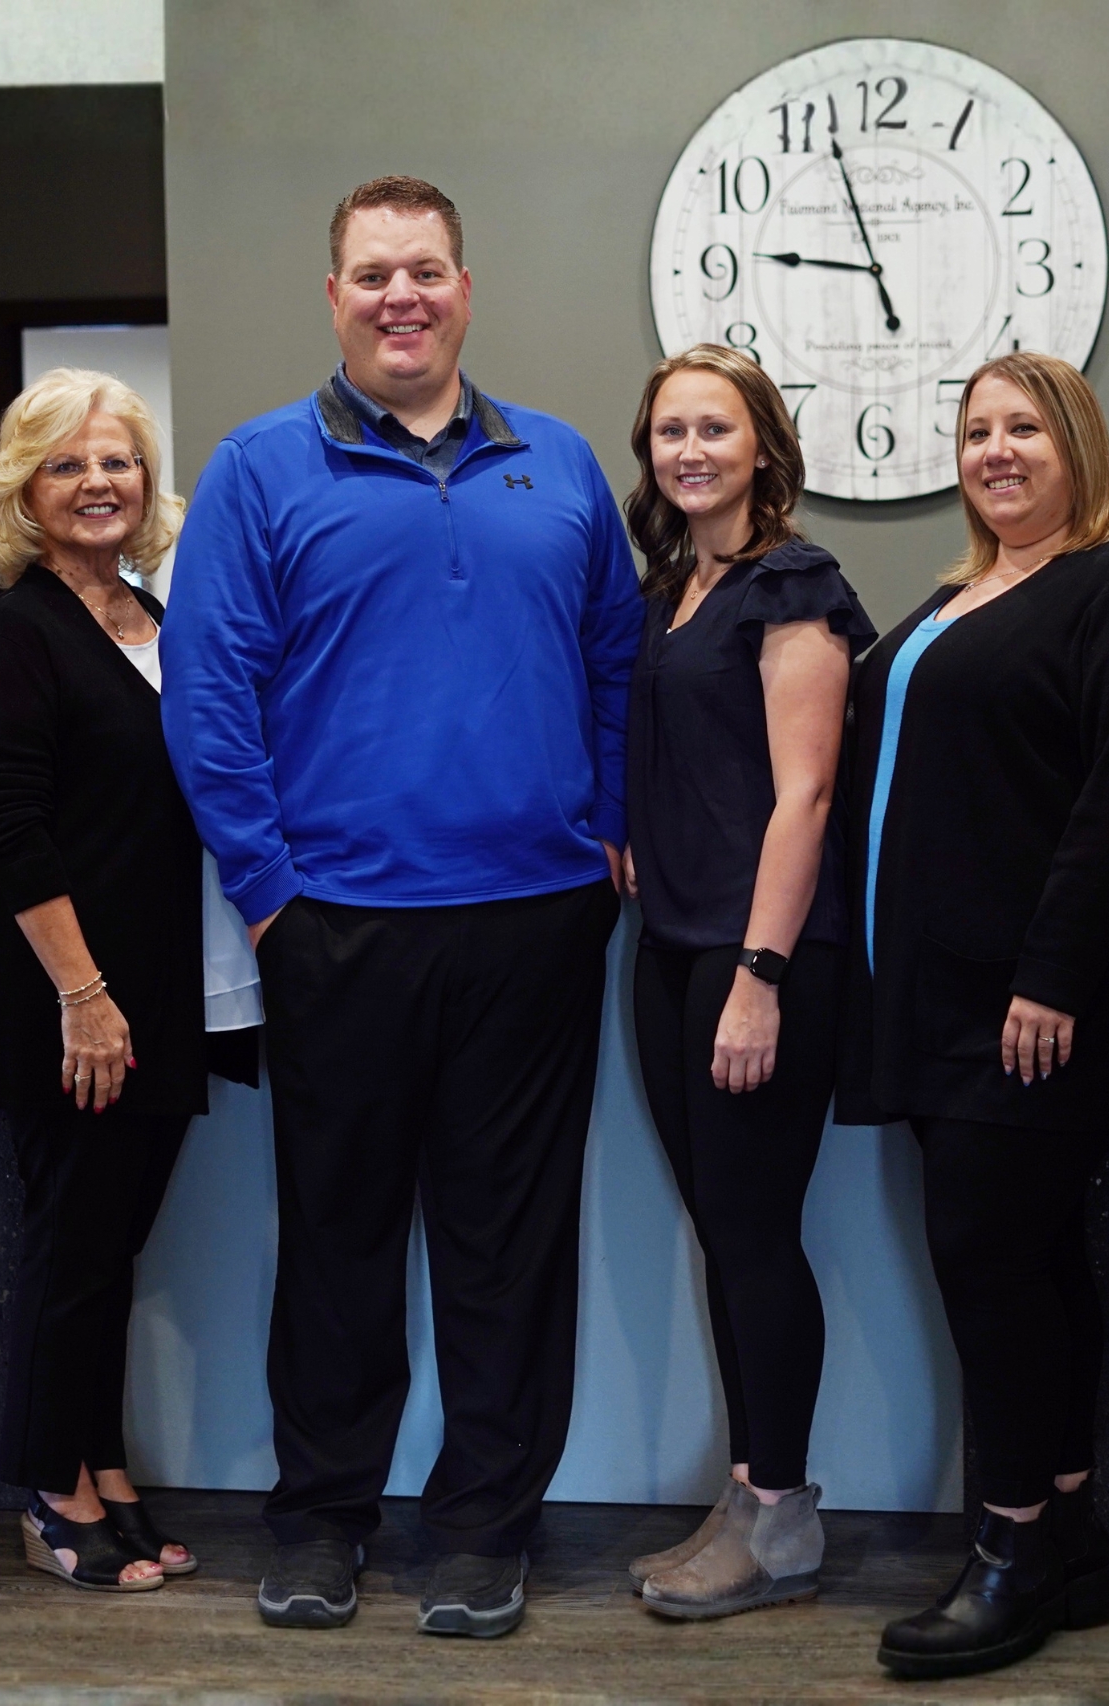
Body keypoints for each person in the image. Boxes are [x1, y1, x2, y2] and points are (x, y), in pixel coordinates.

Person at [161, 175, 639, 1639]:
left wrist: (607, 830)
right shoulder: (259, 469)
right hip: (338, 925)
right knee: (339, 1241)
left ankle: (484, 1529)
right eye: (372, 274)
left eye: (423, 269)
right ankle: (321, 1520)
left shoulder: (558, 463)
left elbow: (618, 665)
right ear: (334, 298)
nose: (400, 297)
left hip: (537, 920)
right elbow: (207, 693)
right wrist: (268, 893)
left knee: (510, 1248)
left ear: (464, 289)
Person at [838, 352, 1109, 1679]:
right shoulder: (956, 595)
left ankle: (1008, 1544)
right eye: (976, 430)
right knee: (1034, 1262)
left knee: (987, 1262)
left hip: (1030, 1006)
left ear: (1079, 447)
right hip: (937, 998)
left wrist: (1051, 973)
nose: (995, 450)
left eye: (1025, 429)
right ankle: (1068, 1536)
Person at [0, 369, 262, 1593]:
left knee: (109, 1247)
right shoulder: (18, 632)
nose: (98, 483)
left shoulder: (148, 613)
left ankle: (98, 1458)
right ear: (25, 490)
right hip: (73, 1005)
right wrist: (83, 995)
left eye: (118, 460)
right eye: (67, 464)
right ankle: (49, 1487)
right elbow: (7, 825)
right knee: (72, 1246)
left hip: (155, 995)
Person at [618, 347, 873, 1619]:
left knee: (755, 1232)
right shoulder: (676, 587)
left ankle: (781, 1516)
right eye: (669, 430)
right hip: (670, 946)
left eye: (713, 427)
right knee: (724, 1229)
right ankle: (748, 1489)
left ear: (762, 444)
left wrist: (760, 974)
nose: (689, 450)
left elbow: (805, 793)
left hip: (757, 953)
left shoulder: (794, 585)